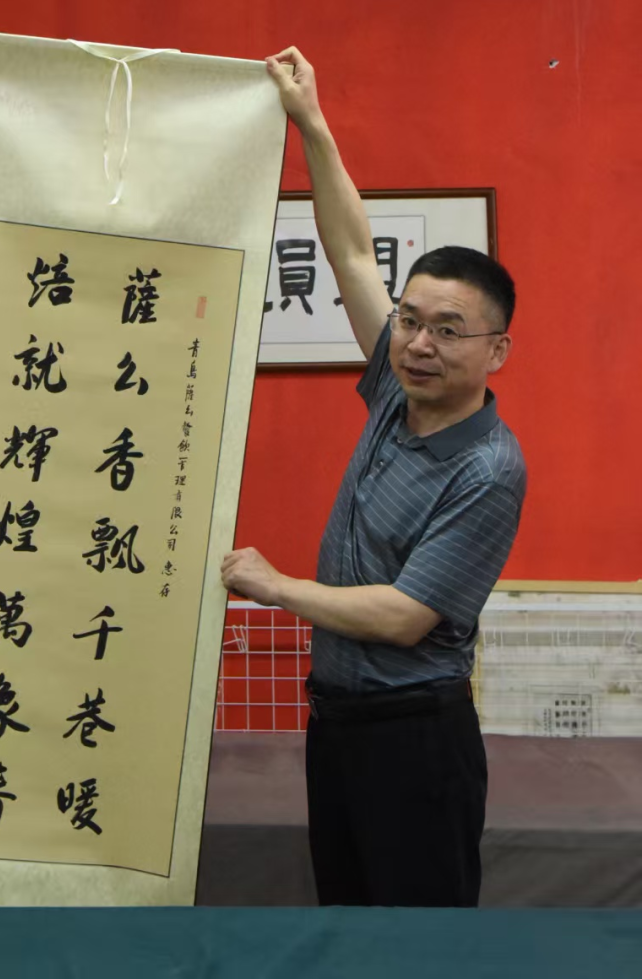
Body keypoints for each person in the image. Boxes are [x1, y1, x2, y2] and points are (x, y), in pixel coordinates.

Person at [222, 47, 526, 908]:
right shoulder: (396, 391)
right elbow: (353, 250)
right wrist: (310, 120)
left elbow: (403, 616)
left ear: (496, 351)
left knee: (419, 950)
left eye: (449, 330)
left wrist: (276, 587)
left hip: (416, 738)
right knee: (348, 931)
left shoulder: (489, 468)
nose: (420, 344)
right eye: (410, 320)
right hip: (338, 726)